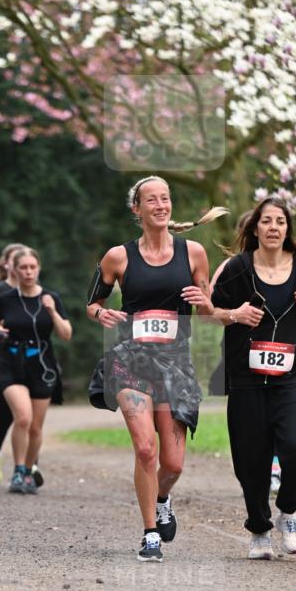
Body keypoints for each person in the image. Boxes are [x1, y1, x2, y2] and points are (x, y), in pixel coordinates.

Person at [86, 175, 224, 562]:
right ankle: (150, 534)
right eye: (152, 200)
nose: (161, 205)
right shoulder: (118, 256)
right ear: (138, 209)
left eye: (166, 198)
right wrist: (103, 313)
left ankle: (163, 498)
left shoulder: (194, 252)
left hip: (175, 364)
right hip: (130, 361)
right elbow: (92, 303)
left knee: (173, 462)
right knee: (145, 448)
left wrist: (206, 301)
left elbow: (208, 312)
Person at [210, 195, 296, 559]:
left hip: (292, 377)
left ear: (287, 228)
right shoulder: (237, 269)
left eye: (280, 221)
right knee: (251, 459)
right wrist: (234, 314)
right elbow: (209, 310)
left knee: (295, 445)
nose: (273, 227)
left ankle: (289, 512)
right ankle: (259, 530)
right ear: (255, 227)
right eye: (266, 221)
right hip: (246, 378)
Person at [0, 247, 72, 494]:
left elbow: (66, 334)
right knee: (22, 417)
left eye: (32, 267)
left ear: (38, 269)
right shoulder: (5, 299)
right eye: (23, 267)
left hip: (42, 366)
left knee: (35, 427)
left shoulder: (51, 298)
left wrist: (52, 311)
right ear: (14, 269)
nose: (28, 272)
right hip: (10, 363)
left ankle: (28, 469)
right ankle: (18, 471)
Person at [0, 243, 47, 486]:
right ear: (8, 265)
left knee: (29, 418)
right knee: (6, 416)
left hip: (32, 361)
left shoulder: (38, 293)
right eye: (17, 261)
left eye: (30, 264)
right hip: (1, 359)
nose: (25, 268)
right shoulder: (0, 291)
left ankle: (29, 466)